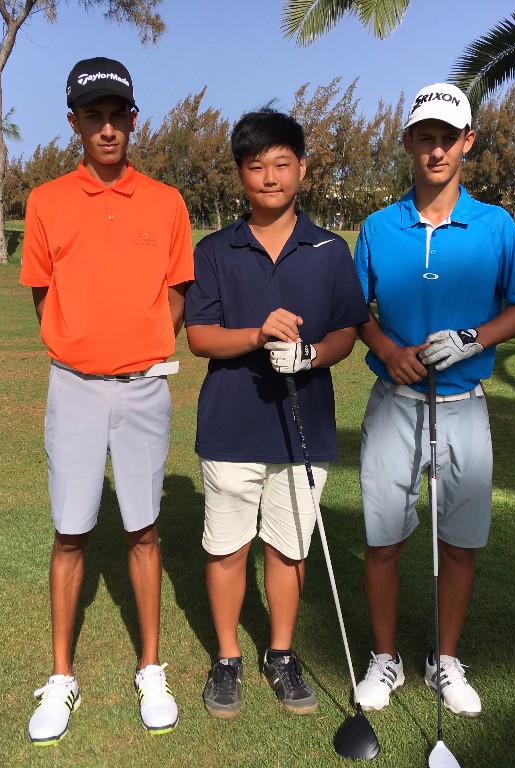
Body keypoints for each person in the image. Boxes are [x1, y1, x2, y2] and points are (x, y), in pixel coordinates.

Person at [351, 83, 515, 716]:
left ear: (468, 142)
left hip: (464, 405)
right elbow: (353, 309)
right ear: (409, 142)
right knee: (383, 540)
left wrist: (473, 338)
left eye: (448, 138)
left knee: (459, 543)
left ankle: (445, 658)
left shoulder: (495, 225)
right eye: (425, 137)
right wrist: (387, 349)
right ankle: (385, 657)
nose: (436, 150)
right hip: (396, 402)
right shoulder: (379, 227)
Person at [18, 56, 193, 744]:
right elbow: (43, 296)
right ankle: (61, 676)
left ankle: (151, 667)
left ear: (133, 120)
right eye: (94, 117)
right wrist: (83, 346)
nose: (108, 128)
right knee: (70, 533)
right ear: (75, 124)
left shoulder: (167, 202)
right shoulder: (46, 201)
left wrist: (141, 345)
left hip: (145, 387)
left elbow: (176, 293)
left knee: (143, 529)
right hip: (74, 388)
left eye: (119, 115)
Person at [184, 108, 369, 719]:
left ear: (302, 169)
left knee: (289, 550)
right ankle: (228, 657)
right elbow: (200, 337)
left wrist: (311, 354)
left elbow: (346, 331)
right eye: (256, 165)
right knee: (227, 548)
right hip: (231, 425)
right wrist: (258, 335)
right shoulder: (216, 250)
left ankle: (281, 653)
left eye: (282, 163)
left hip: (304, 428)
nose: (270, 177)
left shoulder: (329, 249)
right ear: (240, 174)